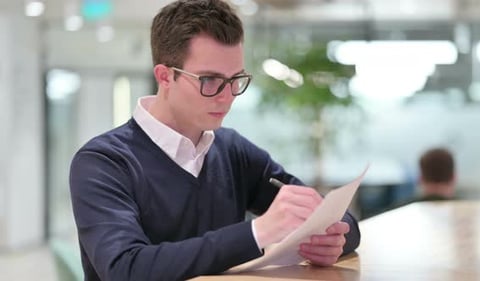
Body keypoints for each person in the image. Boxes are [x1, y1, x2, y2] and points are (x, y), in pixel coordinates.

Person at [69, 1, 360, 280]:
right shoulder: (103, 163)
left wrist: (334, 238)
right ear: (165, 76)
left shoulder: (232, 150)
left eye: (236, 80)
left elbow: (340, 220)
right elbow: (125, 270)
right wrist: (257, 232)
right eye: (209, 80)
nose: (227, 96)